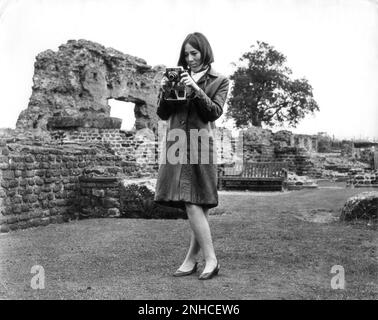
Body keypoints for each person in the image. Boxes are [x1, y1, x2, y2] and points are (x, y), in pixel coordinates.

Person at [154, 32, 229, 280]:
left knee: (198, 201)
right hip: (177, 142)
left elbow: (213, 113)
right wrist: (165, 91)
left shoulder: (221, 80)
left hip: (201, 144)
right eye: (186, 54)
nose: (190, 58)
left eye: (194, 53)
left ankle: (210, 259)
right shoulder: (176, 78)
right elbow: (163, 114)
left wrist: (195, 87)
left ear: (204, 51)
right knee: (193, 201)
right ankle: (193, 259)